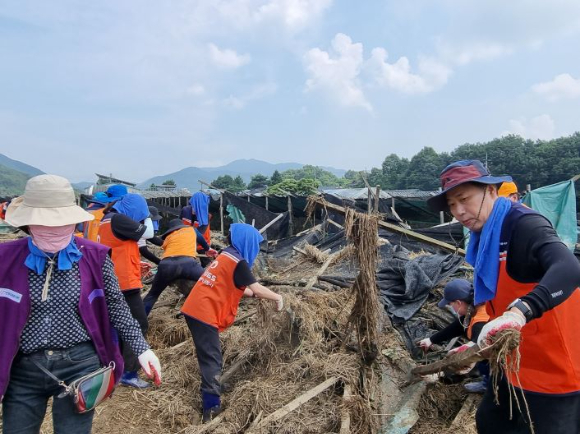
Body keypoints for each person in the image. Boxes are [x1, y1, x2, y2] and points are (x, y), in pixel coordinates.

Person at [427, 159, 580, 434]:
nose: (459, 212)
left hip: (555, 369)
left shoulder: (524, 224)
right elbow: (490, 304)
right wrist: (478, 349)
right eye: (452, 205)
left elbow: (569, 267)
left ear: (491, 191)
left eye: (464, 199)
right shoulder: (484, 239)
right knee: (490, 422)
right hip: (513, 363)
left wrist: (521, 310)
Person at [0, 175, 161, 434]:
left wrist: (142, 350)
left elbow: (117, 307)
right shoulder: (5, 259)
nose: (53, 229)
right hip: (23, 369)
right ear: (28, 223)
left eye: (60, 223)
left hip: (79, 367)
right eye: (44, 223)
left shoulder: (93, 257)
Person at [180, 223, 284, 423]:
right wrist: (277, 297)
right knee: (212, 358)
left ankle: (214, 386)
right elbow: (258, 288)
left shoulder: (226, 255)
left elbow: (230, 284)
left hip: (196, 309)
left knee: (211, 353)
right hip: (203, 312)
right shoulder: (239, 262)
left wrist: (252, 295)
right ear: (248, 242)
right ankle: (211, 407)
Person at [97, 193, 154, 388]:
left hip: (114, 278)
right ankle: (129, 372)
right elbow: (149, 234)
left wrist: (136, 262)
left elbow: (115, 248)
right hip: (124, 283)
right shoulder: (119, 219)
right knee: (139, 324)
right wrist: (147, 217)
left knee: (117, 325)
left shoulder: (106, 220)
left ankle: (116, 367)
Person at [418, 279, 490, 393]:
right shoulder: (475, 307)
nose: (451, 307)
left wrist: (440, 373)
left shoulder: (480, 322)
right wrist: (431, 340)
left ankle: (489, 384)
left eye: (450, 304)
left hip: (494, 356)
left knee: (482, 363)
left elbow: (474, 355)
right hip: (484, 348)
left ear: (458, 302)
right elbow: (457, 327)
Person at [142, 219, 218, 315]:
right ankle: (209, 310)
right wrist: (208, 249)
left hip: (166, 265)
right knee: (211, 283)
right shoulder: (191, 229)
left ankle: (139, 324)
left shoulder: (168, 237)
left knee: (152, 295)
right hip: (187, 263)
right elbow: (201, 239)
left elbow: (157, 241)